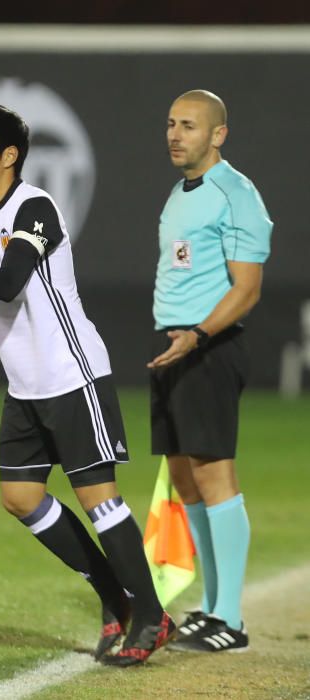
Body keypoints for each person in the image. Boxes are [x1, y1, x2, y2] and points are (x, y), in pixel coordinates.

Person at [0, 104, 173, 666]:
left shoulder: (34, 207)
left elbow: (10, 281)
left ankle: (153, 615)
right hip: (25, 386)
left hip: (73, 375)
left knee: (101, 502)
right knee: (20, 499)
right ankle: (111, 596)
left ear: (9, 156)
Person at [148, 90, 272, 652]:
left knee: (215, 475)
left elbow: (246, 289)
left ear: (218, 134)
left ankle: (231, 618)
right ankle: (211, 605)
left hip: (210, 347)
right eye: (172, 124)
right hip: (175, 344)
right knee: (183, 474)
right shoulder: (179, 193)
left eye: (189, 126)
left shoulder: (237, 193)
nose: (176, 134)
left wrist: (198, 335)